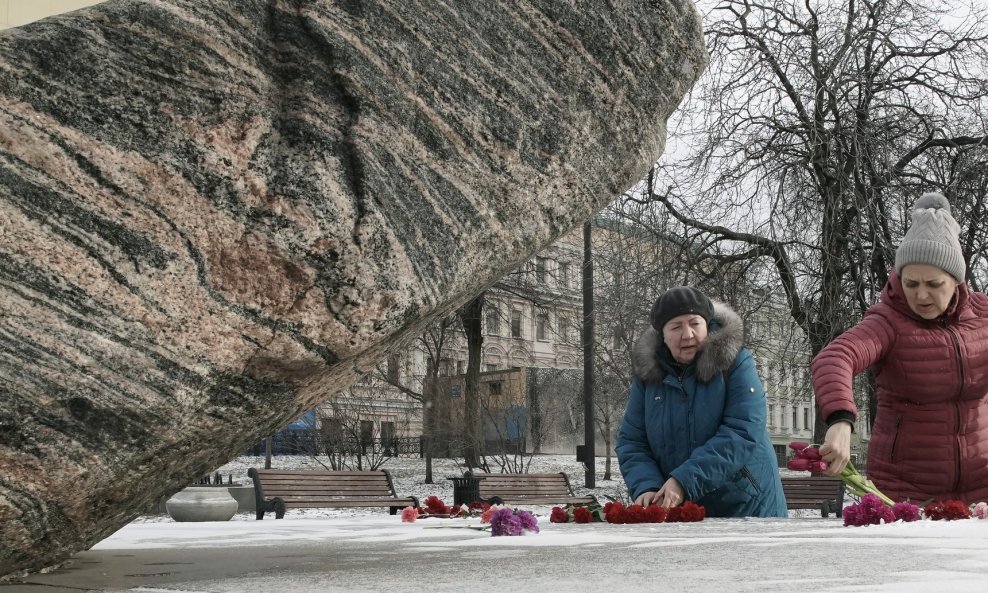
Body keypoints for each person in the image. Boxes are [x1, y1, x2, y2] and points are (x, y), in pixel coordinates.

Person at [812, 192, 988, 504]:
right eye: (911, 283)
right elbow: (836, 357)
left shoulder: (983, 316)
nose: (920, 296)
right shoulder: (888, 322)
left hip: (981, 493)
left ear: (956, 281)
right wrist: (841, 421)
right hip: (904, 494)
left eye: (933, 285)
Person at [616, 286, 787, 517]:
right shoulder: (648, 377)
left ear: (707, 325)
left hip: (747, 508)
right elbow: (632, 441)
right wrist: (647, 486)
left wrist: (684, 481)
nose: (688, 335)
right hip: (684, 512)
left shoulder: (736, 362)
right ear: (662, 336)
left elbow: (742, 431)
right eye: (676, 327)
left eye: (695, 323)